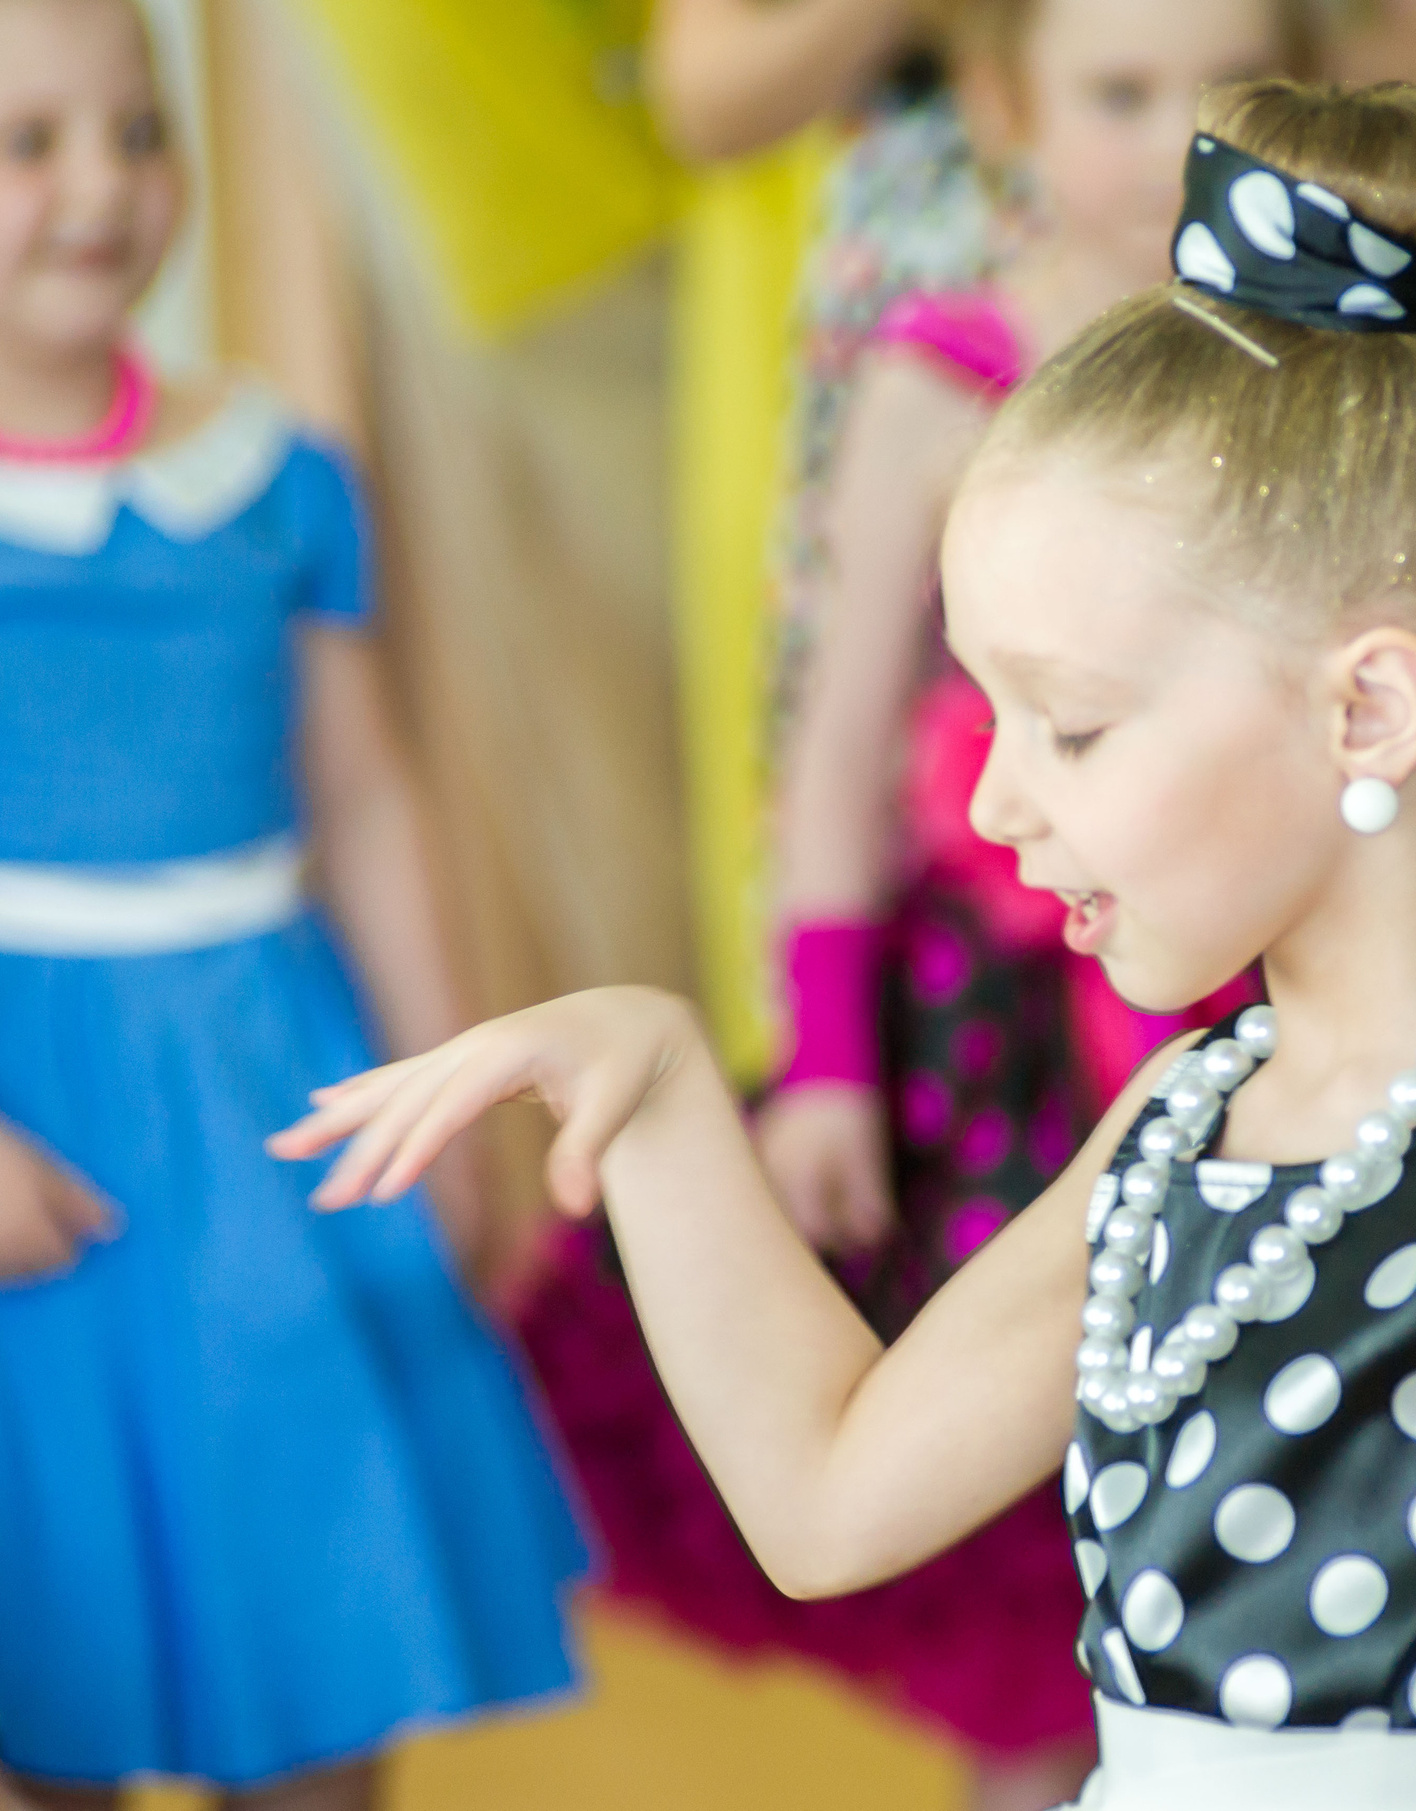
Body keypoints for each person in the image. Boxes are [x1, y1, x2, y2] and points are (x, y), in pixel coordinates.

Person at [277, 78, 1416, 1811]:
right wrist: (669, 1087)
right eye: (988, 718)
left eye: (1070, 726)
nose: (995, 807)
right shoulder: (1178, 1123)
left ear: (1369, 712)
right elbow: (827, 1498)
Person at [520, 5, 1305, 1806]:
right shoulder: (942, 373)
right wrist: (828, 1063)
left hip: (1251, 1004)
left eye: (1229, 100)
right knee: (1021, 1553)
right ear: (1001, 107)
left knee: (1253, 1519)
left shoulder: (1311, 378)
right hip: (996, 1049)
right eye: (1120, 95)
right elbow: (837, 747)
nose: (1178, 143)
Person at [0, 1, 585, 1804]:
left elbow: (364, 790)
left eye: (138, 131)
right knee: (46, 1648)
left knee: (322, 1627)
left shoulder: (276, 476)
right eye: (30, 145)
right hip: (38, 1117)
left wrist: (453, 1077)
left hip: (267, 1092)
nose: (100, 188)